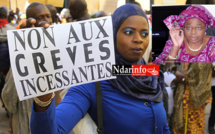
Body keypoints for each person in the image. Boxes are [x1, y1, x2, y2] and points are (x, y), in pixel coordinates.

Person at [30, 4, 170, 134]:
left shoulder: (151, 75)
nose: (138, 39)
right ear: (112, 35)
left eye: (144, 34)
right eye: (128, 32)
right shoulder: (91, 82)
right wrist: (44, 93)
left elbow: (163, 127)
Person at [171, 63, 212, 133]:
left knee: (193, 127)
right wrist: (177, 73)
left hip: (194, 99)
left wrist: (180, 76)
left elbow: (196, 74)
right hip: (182, 95)